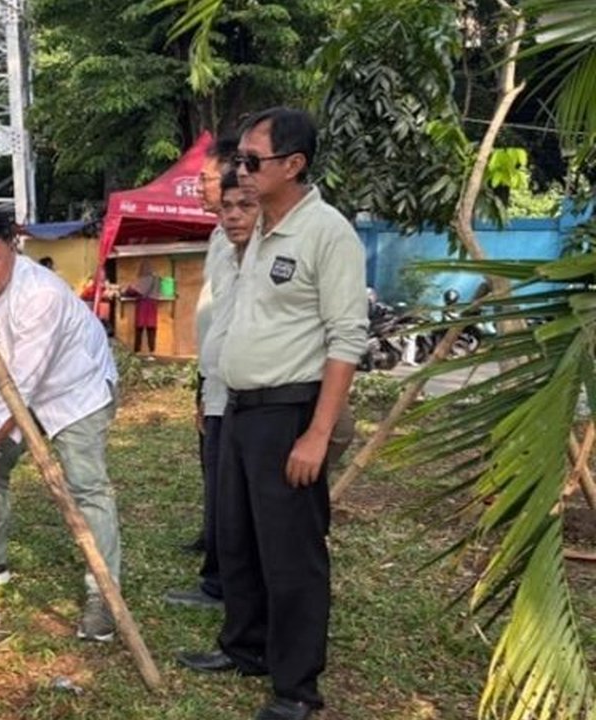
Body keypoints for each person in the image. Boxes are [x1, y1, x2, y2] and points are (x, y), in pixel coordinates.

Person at [176, 108, 367, 720]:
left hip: (290, 412)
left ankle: (296, 688)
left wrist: (316, 433)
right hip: (238, 410)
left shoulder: (325, 233)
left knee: (291, 555)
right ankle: (245, 647)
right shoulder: (257, 230)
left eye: (254, 161)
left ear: (294, 164)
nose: (243, 171)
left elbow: (346, 338)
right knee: (236, 539)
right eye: (240, 161)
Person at [0, 208, 124, 643]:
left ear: (13, 250)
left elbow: (25, 382)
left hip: (75, 389)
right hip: (9, 393)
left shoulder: (40, 294)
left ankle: (104, 595)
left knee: (86, 487)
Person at [164, 168, 256, 611]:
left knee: (233, 493)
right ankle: (217, 571)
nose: (201, 188)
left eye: (208, 179)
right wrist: (204, 387)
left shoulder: (262, 246)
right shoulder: (224, 239)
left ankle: (224, 584)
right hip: (218, 383)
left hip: (246, 393)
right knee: (219, 485)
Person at [124, 259, 160, 354]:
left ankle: (137, 351)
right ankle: (152, 352)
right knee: (151, 329)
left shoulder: (145, 279)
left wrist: (128, 289)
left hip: (143, 305)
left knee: (139, 329)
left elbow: (138, 291)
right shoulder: (156, 278)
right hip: (152, 306)